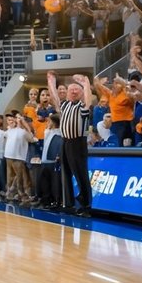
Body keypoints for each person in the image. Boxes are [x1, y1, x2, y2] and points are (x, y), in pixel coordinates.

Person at [48, 70, 95, 217]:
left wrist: (86, 83)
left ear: (81, 93)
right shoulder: (65, 105)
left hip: (77, 143)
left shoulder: (82, 106)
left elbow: (88, 101)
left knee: (81, 175)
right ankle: (68, 203)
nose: (73, 91)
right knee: (65, 173)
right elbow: (55, 98)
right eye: (71, 89)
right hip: (66, 142)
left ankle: (86, 206)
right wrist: (51, 81)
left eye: (77, 89)